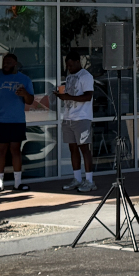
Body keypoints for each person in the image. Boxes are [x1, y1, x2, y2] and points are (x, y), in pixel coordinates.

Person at [0, 53, 35, 192]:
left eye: (9, 62)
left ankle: (17, 183)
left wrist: (25, 94)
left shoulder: (24, 79)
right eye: (4, 62)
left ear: (15, 64)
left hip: (17, 120)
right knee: (0, 152)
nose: (5, 65)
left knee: (16, 150)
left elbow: (30, 101)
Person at [56, 52, 96, 193]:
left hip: (82, 117)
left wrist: (68, 97)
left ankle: (89, 180)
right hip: (68, 117)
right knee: (72, 148)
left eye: (71, 65)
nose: (69, 68)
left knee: (84, 148)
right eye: (67, 66)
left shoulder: (86, 76)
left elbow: (88, 96)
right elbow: (70, 94)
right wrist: (62, 96)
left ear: (78, 62)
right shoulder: (69, 76)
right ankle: (77, 178)